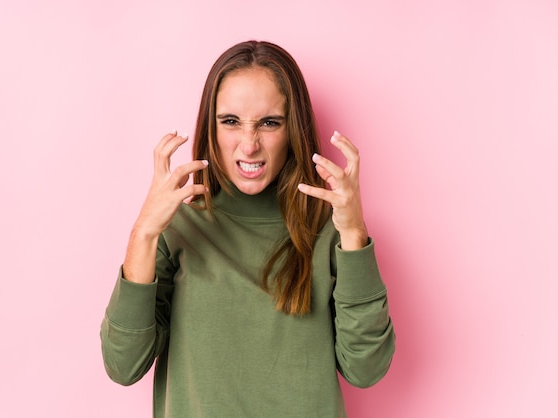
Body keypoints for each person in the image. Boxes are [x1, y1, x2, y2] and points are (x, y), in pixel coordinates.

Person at [100, 40, 395, 417]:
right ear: (212, 126)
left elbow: (367, 369)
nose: (249, 144)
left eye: (269, 122)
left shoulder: (332, 231)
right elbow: (124, 366)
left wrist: (354, 233)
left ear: (294, 130)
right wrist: (143, 233)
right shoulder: (177, 229)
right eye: (231, 122)